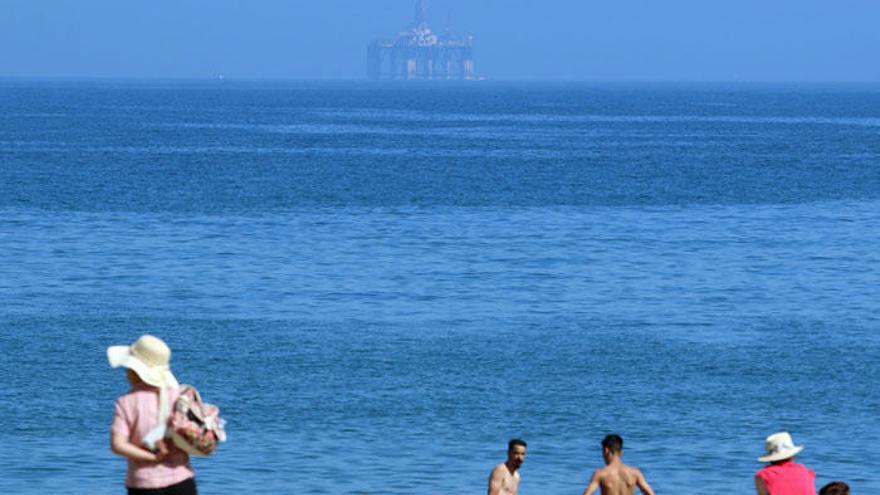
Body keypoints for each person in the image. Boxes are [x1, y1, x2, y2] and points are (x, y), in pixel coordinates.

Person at [108, 335, 197, 495]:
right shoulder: (179, 397)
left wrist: (152, 458)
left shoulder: (126, 402)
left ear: (134, 371)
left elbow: (118, 445)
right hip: (182, 480)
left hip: (143, 484)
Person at [582, 434, 655, 495]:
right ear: (621, 452)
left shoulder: (600, 474)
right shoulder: (635, 473)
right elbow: (650, 493)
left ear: (606, 450)